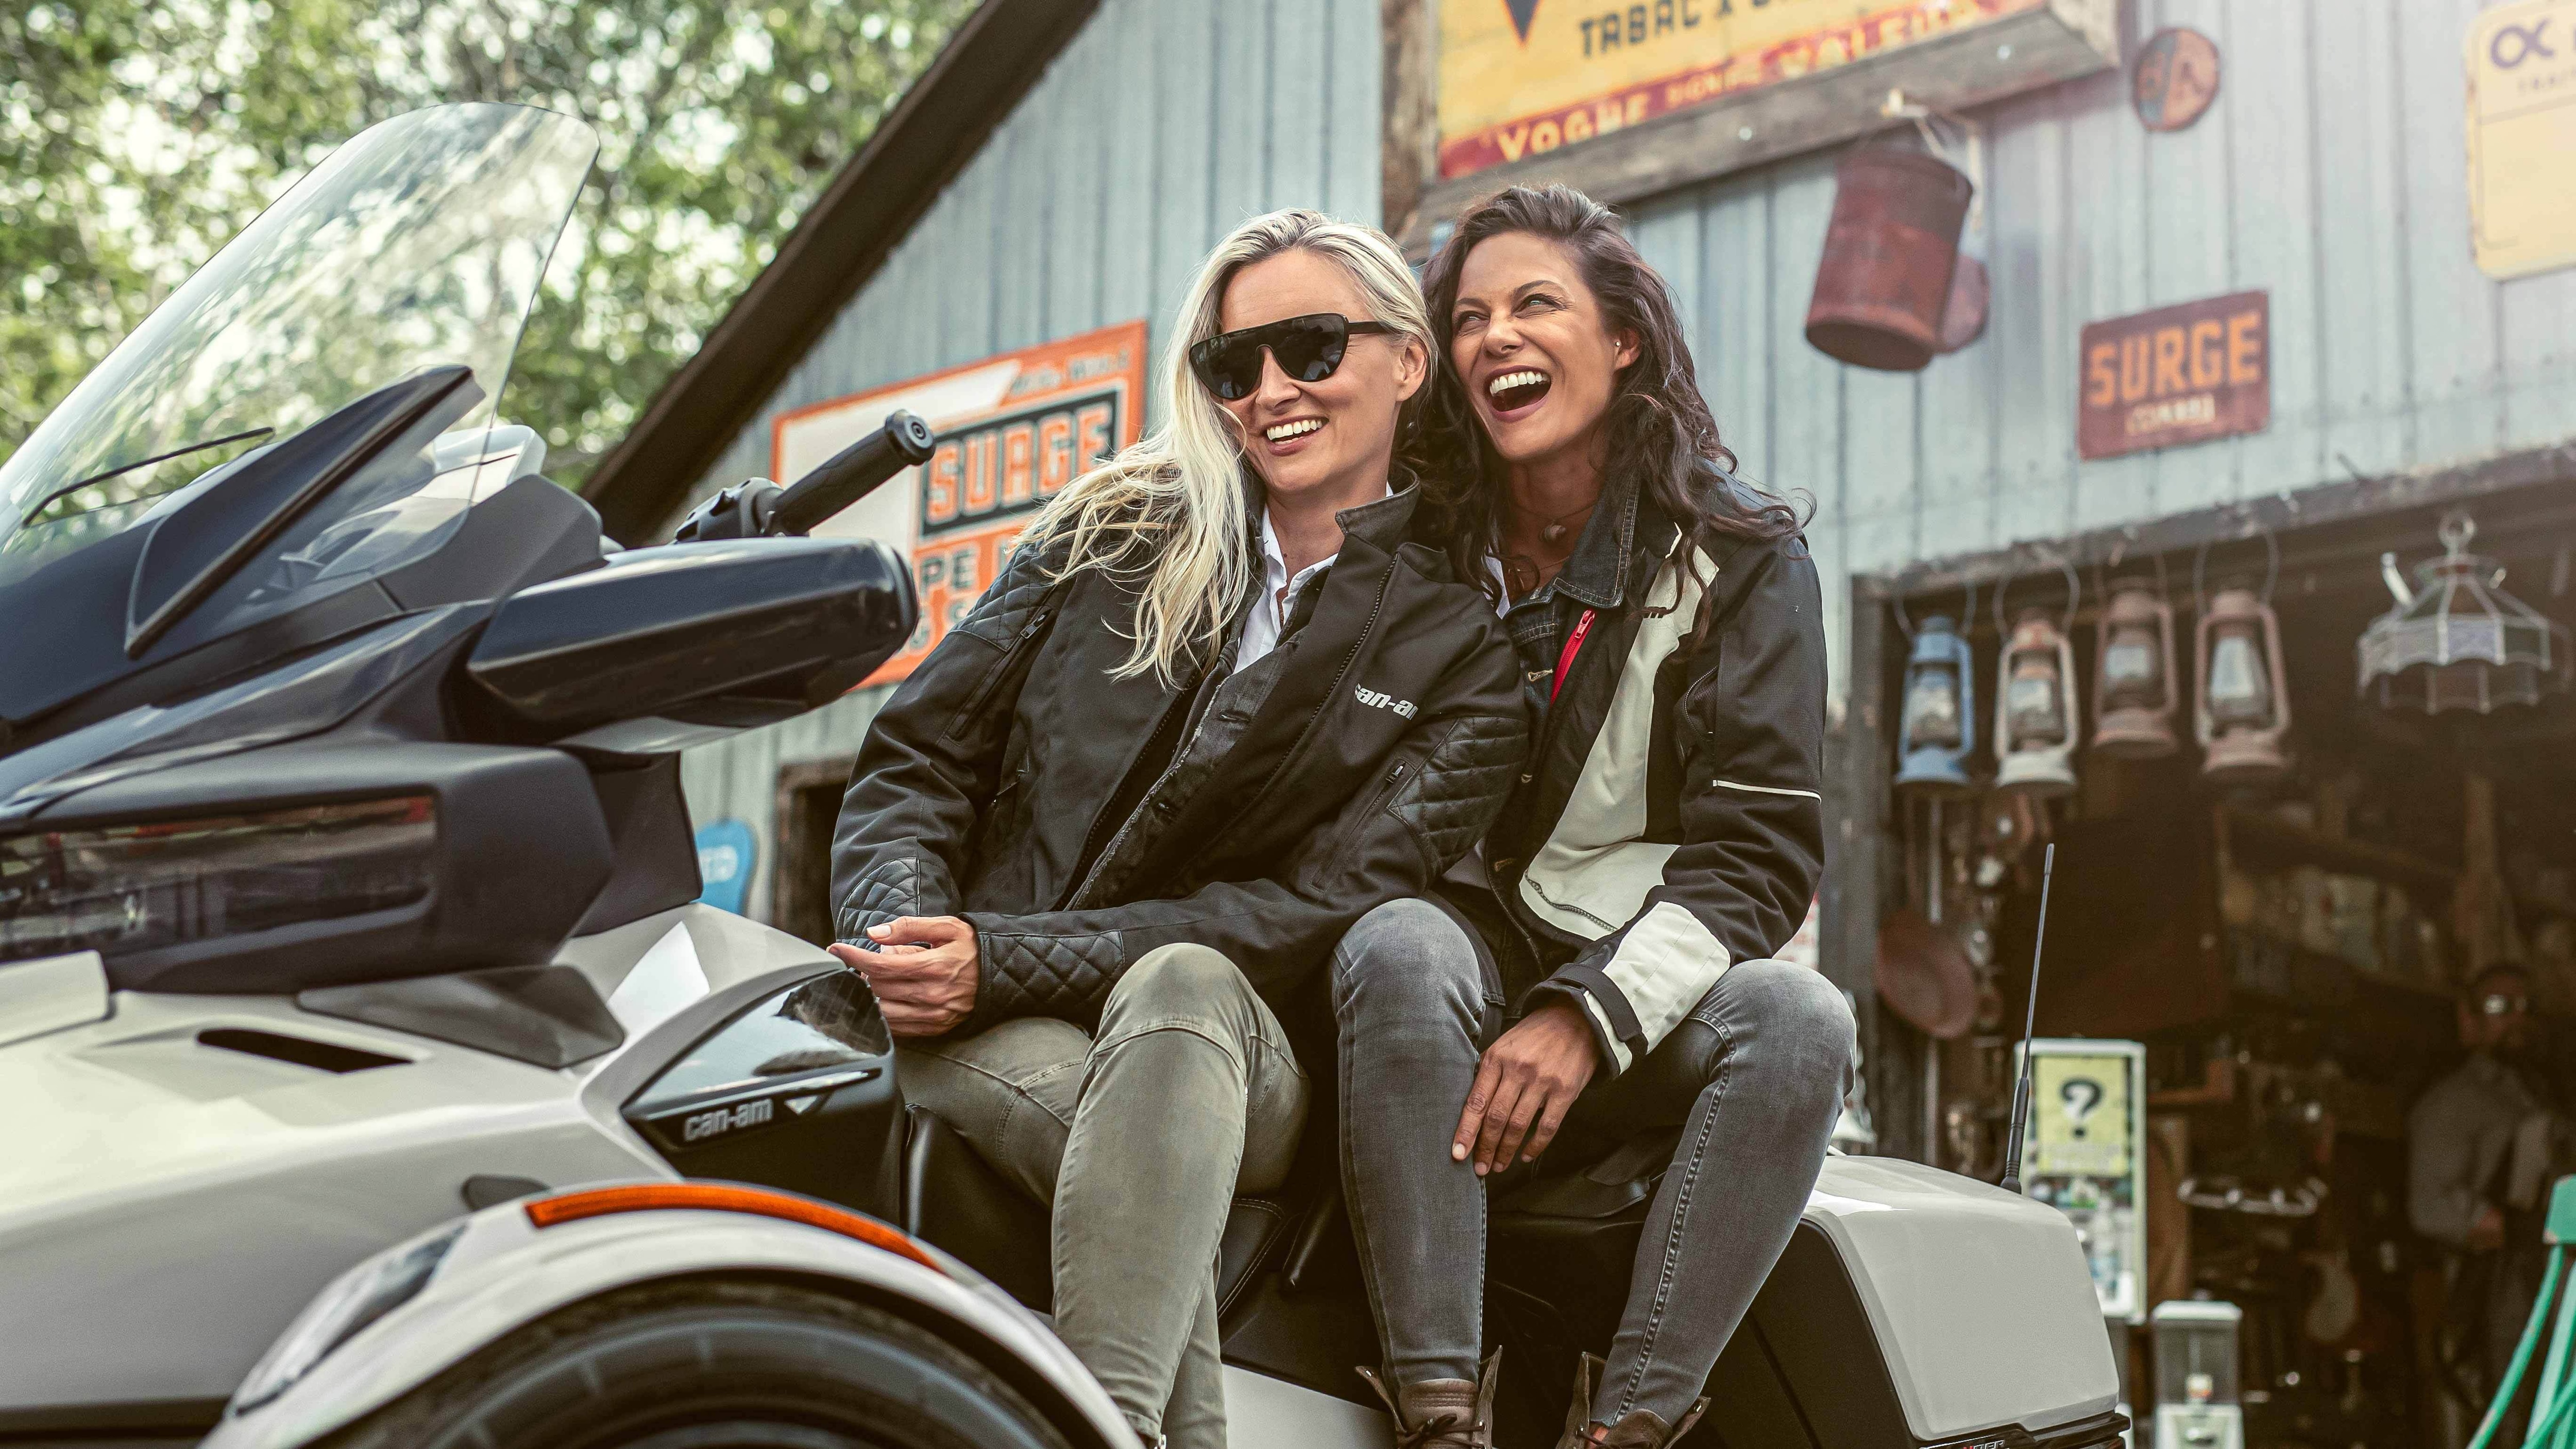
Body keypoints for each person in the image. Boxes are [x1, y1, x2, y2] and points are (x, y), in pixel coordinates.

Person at [827, 208, 1527, 1449]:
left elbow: (1313, 909)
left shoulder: (1462, 652)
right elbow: (917, 753)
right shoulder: (1107, 531)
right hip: (996, 1023)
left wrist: (1006, 952)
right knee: (1150, 1195)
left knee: (1184, 977)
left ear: (1407, 362)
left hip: (1237, 1053)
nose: (1269, 391)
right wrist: (902, 937)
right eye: (1231, 363)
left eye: (1309, 346)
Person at [1327, 184, 1853, 1449]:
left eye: (1533, 304)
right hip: (1429, 965)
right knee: (1400, 944)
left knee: (1799, 1019)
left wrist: (1584, 1011)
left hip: (1629, 990)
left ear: (1623, 340)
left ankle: (1626, 1422)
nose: (1493, 335)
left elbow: (1760, 851)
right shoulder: (1406, 546)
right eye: (1467, 318)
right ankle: (1437, 1411)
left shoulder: (1742, 556)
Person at [2412, 964, 2559, 1432]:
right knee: (2511, 1421)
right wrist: (2518, 1227)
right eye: (2499, 1007)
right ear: (2469, 1019)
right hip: (2493, 1291)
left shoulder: (2534, 1097)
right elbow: (2431, 1206)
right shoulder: (2453, 1101)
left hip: (2550, 1283)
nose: (2516, 1020)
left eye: (2523, 1007)